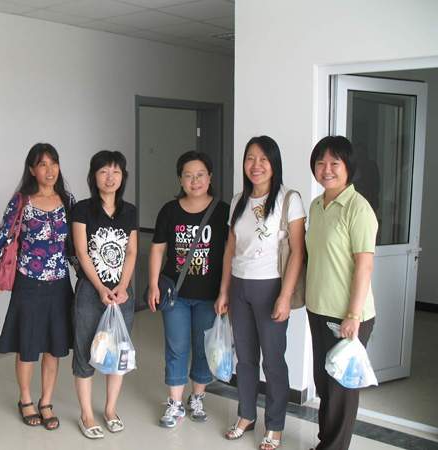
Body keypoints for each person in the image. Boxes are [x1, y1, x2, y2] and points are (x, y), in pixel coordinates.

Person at [215, 136, 306, 450]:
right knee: (245, 357)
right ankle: (246, 415)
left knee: (273, 360)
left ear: (274, 163)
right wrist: (224, 291)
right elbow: (230, 249)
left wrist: (285, 296)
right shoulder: (239, 200)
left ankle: (275, 424)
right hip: (239, 285)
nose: (256, 165)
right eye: (250, 158)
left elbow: (297, 251)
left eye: (263, 159)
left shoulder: (289, 199)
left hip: (270, 287)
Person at [0, 143, 75, 430]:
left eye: (53, 163)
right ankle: (25, 399)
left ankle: (46, 401)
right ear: (32, 170)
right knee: (27, 344)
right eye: (42, 164)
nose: (49, 169)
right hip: (28, 282)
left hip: (59, 283)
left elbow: (74, 245)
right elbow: (2, 237)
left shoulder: (68, 201)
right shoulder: (22, 201)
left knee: (54, 347)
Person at [148, 151, 230, 428]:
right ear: (180, 180)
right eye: (188, 176)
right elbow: (157, 250)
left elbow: (230, 254)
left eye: (200, 175)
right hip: (176, 295)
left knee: (203, 348)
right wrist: (153, 285)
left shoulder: (223, 212)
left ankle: (197, 398)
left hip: (210, 296)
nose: (195, 181)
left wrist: (225, 292)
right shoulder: (169, 211)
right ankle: (175, 403)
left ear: (210, 177)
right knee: (176, 347)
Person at [306, 136, 378, 450]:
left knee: (341, 389)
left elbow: (364, 265)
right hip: (318, 308)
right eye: (321, 162)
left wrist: (353, 315)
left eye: (334, 163)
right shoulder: (317, 205)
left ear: (348, 166)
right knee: (324, 383)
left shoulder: (358, 208)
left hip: (347, 314)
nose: (327, 169)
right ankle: (326, 442)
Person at [71, 150, 138, 439]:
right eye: (103, 171)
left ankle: (110, 409)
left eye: (116, 171)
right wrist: (100, 287)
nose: (110, 177)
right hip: (90, 290)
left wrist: (123, 286)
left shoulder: (130, 211)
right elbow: (81, 251)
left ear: (123, 176)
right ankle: (86, 414)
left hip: (122, 292)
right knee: (85, 351)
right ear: (94, 176)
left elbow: (132, 251)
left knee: (118, 351)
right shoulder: (82, 209)